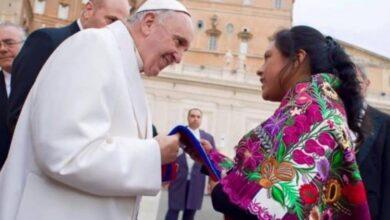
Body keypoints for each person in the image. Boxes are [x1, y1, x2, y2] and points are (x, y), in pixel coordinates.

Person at [0, 0, 194, 219]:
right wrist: (153, 153)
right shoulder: (93, 45)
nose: (179, 57)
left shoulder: (123, 62)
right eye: (178, 42)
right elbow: (65, 152)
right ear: (148, 23)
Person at [192, 26, 371, 219]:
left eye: (268, 57)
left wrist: (221, 192)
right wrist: (210, 157)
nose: (260, 70)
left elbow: (269, 203)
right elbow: (267, 175)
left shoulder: (311, 109)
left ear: (298, 59)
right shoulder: (320, 104)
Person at [7, 0, 130, 134]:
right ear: (89, 10)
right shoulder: (47, 41)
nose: (114, 30)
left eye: (120, 27)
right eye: (111, 20)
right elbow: (19, 113)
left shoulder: (108, 60)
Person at [165, 108, 216, 220]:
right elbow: (169, 156)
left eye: (198, 117)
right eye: (192, 116)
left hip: (197, 180)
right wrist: (167, 177)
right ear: (188, 117)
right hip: (178, 179)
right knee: (173, 210)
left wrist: (211, 182)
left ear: (201, 119)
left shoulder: (208, 138)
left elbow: (212, 161)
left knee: (190, 214)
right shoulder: (178, 134)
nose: (195, 119)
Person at [355, 64, 390, 220]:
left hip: (371, 213)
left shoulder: (384, 123)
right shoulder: (331, 119)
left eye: (356, 82)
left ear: (367, 83)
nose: (351, 87)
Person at [0, 22, 26, 169]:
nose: (2, 49)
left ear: (25, 46)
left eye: (9, 43)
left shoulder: (39, 82)